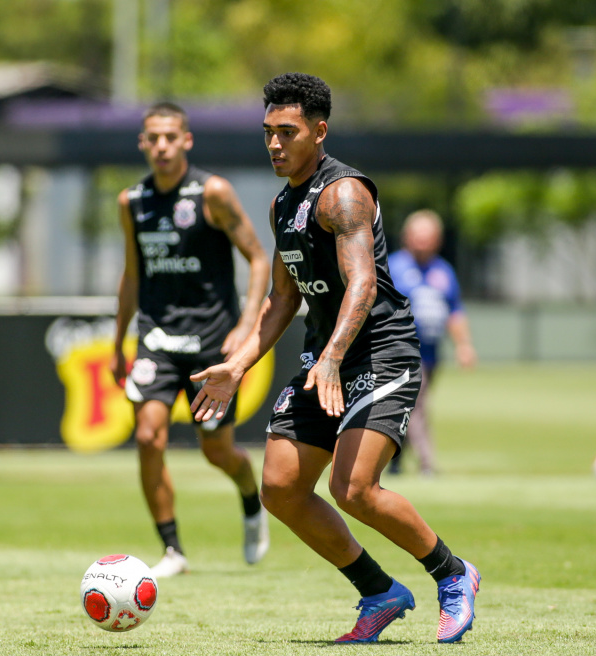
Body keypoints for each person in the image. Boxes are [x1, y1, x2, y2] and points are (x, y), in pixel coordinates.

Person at [189, 73, 480, 643]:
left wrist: (330, 357)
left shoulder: (343, 192)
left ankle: (453, 575)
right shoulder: (283, 205)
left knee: (354, 489)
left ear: (319, 131)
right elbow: (281, 298)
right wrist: (238, 364)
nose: (274, 144)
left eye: (287, 132)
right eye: (268, 132)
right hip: (325, 359)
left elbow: (363, 285)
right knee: (280, 488)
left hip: (380, 351)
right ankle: (378, 591)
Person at [111, 102, 272, 578]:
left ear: (186, 141)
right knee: (147, 436)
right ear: (142, 143)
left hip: (210, 346)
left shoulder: (213, 192)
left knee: (216, 452)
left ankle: (250, 499)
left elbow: (259, 258)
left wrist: (245, 326)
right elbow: (132, 275)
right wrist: (117, 341)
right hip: (156, 340)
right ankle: (172, 551)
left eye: (170, 137)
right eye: (152, 138)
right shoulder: (131, 202)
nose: (161, 146)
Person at [387, 210, 478, 476]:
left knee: (407, 405)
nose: (423, 242)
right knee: (417, 405)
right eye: (418, 236)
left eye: (429, 237)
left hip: (431, 354)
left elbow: (455, 311)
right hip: (400, 351)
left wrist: (464, 345)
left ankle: (394, 459)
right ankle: (427, 464)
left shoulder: (443, 271)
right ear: (407, 237)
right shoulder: (393, 266)